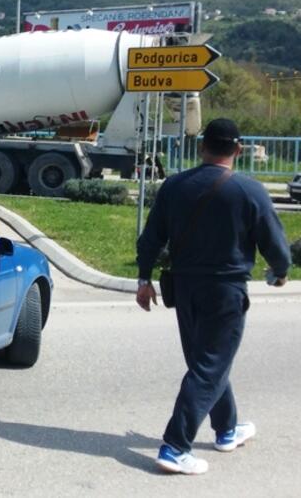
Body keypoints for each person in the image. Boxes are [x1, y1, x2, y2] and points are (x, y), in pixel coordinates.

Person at [136, 118, 290, 476]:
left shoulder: (174, 186)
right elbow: (276, 248)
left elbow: (150, 239)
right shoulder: (250, 191)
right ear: (238, 150)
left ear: (203, 147)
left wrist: (143, 279)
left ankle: (227, 429)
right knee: (209, 367)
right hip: (225, 291)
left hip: (184, 288)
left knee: (206, 363)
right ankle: (175, 447)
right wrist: (279, 272)